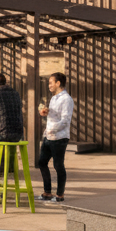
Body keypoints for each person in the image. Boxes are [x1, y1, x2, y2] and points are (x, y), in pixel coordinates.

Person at [36, 72, 74, 204]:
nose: (49, 85)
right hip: (48, 136)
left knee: (58, 165)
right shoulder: (54, 98)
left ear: (58, 83)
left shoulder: (66, 99)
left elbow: (65, 121)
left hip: (59, 137)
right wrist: (46, 112)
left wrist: (51, 129)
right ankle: (47, 192)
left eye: (51, 83)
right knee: (41, 162)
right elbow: (54, 115)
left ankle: (60, 195)